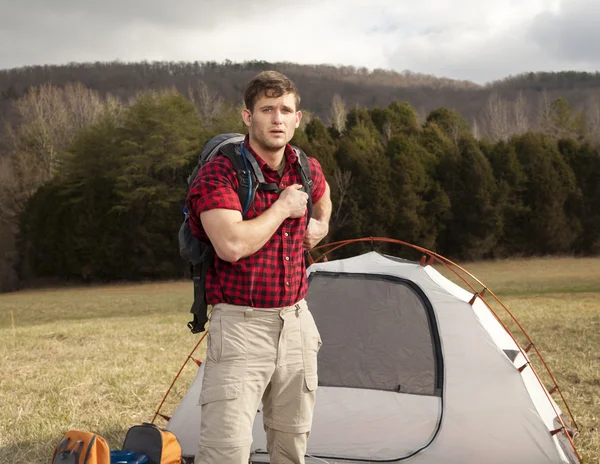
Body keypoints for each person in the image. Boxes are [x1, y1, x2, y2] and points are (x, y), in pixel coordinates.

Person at [185, 70, 332, 464]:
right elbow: (231, 244)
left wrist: (321, 224)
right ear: (248, 117)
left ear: (298, 118)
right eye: (267, 109)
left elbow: (323, 192)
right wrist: (283, 207)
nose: (277, 118)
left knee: (291, 447)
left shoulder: (304, 165)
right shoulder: (221, 173)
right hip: (241, 327)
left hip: (297, 323)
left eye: (286, 110)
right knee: (225, 452)